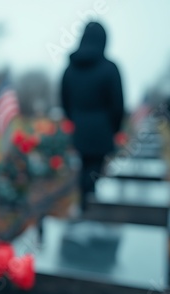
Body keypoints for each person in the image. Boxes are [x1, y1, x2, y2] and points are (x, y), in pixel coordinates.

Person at [61, 21, 124, 213]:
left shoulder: (70, 69)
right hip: (102, 128)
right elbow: (118, 104)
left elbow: (64, 99)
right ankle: (90, 206)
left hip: (80, 127)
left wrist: (75, 119)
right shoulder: (110, 68)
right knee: (95, 168)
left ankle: (84, 205)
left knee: (85, 168)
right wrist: (114, 127)